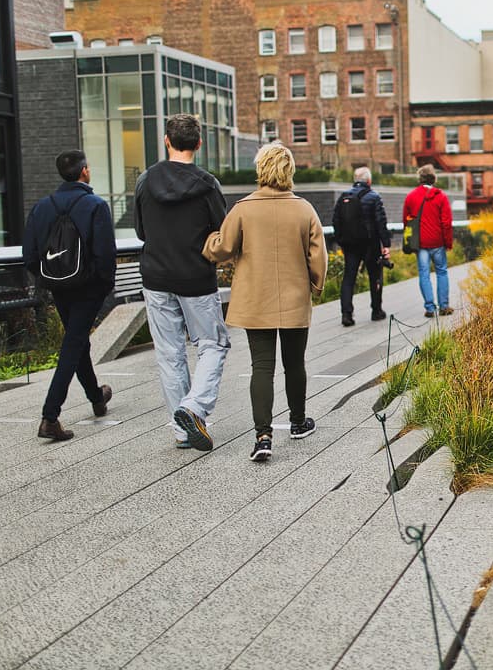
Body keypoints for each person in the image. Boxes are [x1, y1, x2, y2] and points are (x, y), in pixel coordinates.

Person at [203, 142, 327, 462]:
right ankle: (298, 423)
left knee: (262, 366)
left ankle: (263, 436)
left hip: (256, 298)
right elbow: (318, 256)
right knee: (294, 363)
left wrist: (208, 242)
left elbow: (222, 248)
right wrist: (316, 284)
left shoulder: (243, 208)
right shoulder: (304, 209)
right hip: (294, 296)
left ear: (261, 169)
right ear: (289, 171)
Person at [134, 114, 230, 452]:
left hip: (156, 276)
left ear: (166, 140)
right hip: (196, 276)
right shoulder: (208, 184)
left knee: (170, 352)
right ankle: (193, 408)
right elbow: (224, 232)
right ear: (199, 143)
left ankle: (181, 429)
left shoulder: (146, 180)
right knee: (213, 345)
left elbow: (140, 231)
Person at [22, 150, 115, 441]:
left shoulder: (41, 207)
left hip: (58, 287)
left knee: (77, 341)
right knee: (73, 343)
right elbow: (105, 255)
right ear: (84, 171)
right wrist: (103, 287)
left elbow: (29, 255)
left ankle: (96, 398)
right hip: (88, 289)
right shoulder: (95, 206)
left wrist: (47, 279)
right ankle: (50, 417)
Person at [332, 166, 391, 327]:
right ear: (369, 181)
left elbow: (335, 221)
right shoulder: (373, 196)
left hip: (350, 244)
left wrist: (341, 241)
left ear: (355, 179)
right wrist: (386, 244)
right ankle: (376, 311)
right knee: (375, 276)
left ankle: (346, 314)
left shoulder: (344, 196)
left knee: (349, 277)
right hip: (370, 244)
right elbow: (381, 222)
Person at [403, 165, 453, 318]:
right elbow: (446, 222)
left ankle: (430, 308)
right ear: (433, 179)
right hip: (438, 242)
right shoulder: (441, 196)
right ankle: (444, 307)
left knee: (424, 274)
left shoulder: (411, 197)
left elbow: (406, 221)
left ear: (420, 179)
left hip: (421, 244)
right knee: (441, 272)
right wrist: (448, 242)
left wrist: (410, 242)